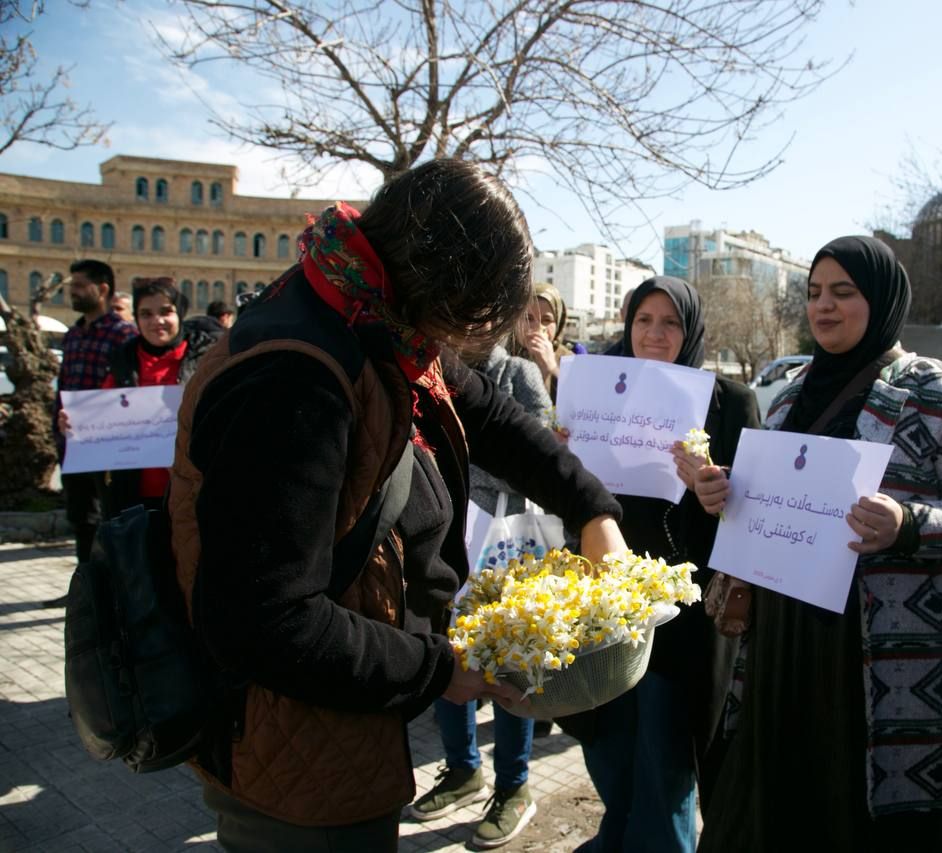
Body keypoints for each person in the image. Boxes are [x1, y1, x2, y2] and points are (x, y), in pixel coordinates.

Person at [166, 159, 628, 851]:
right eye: (468, 319)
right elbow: (261, 618)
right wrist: (440, 669)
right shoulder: (296, 374)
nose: (460, 343)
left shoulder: (372, 310)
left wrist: (592, 511)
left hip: (345, 720)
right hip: (290, 748)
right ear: (439, 284)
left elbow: (490, 414)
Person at [692, 236, 942, 851]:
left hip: (879, 672)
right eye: (814, 293)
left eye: (843, 292)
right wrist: (726, 491)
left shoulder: (939, 392)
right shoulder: (790, 396)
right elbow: (771, 503)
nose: (823, 306)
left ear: (881, 300)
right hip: (783, 658)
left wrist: (908, 524)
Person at [573, 276, 759, 853]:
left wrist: (713, 490)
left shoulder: (730, 402)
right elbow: (575, 498)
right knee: (606, 741)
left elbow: (755, 516)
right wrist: (561, 456)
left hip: (680, 614)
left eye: (671, 322)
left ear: (692, 329)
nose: (655, 334)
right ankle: (617, 835)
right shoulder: (598, 392)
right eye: (644, 320)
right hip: (607, 601)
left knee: (664, 755)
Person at [409, 307, 554, 849]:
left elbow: (536, 463)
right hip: (442, 546)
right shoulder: (426, 371)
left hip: (504, 551)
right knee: (448, 656)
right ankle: (462, 770)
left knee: (509, 666)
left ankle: (513, 786)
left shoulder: (518, 375)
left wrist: (460, 464)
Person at [59, 278, 219, 517]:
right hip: (133, 495)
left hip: (193, 492)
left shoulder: (206, 359)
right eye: (146, 314)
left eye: (166, 311)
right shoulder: (121, 361)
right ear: (136, 318)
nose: (157, 321)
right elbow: (103, 415)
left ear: (180, 313)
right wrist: (76, 424)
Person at [48, 259, 136, 608]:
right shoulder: (73, 335)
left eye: (79, 285)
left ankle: (112, 593)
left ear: (102, 289)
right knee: (81, 517)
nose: (72, 291)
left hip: (109, 448)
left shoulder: (123, 335)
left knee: (109, 517)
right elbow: (63, 386)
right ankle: (83, 590)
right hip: (74, 443)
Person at [515, 282, 574, 399]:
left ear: (558, 323)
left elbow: (576, 402)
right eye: (528, 318)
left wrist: (552, 368)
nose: (537, 327)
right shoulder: (501, 356)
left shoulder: (570, 361)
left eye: (546, 320)